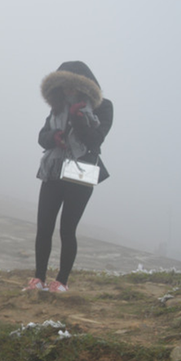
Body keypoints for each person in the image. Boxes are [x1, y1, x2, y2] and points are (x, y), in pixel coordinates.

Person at [26, 61, 113, 293]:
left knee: (67, 229)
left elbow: (95, 141)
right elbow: (41, 137)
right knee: (44, 225)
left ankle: (62, 281)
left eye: (73, 87)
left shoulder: (103, 108)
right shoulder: (57, 106)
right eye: (64, 87)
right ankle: (38, 278)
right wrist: (54, 137)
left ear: (85, 87)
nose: (68, 91)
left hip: (81, 171)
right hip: (53, 170)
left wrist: (78, 118)